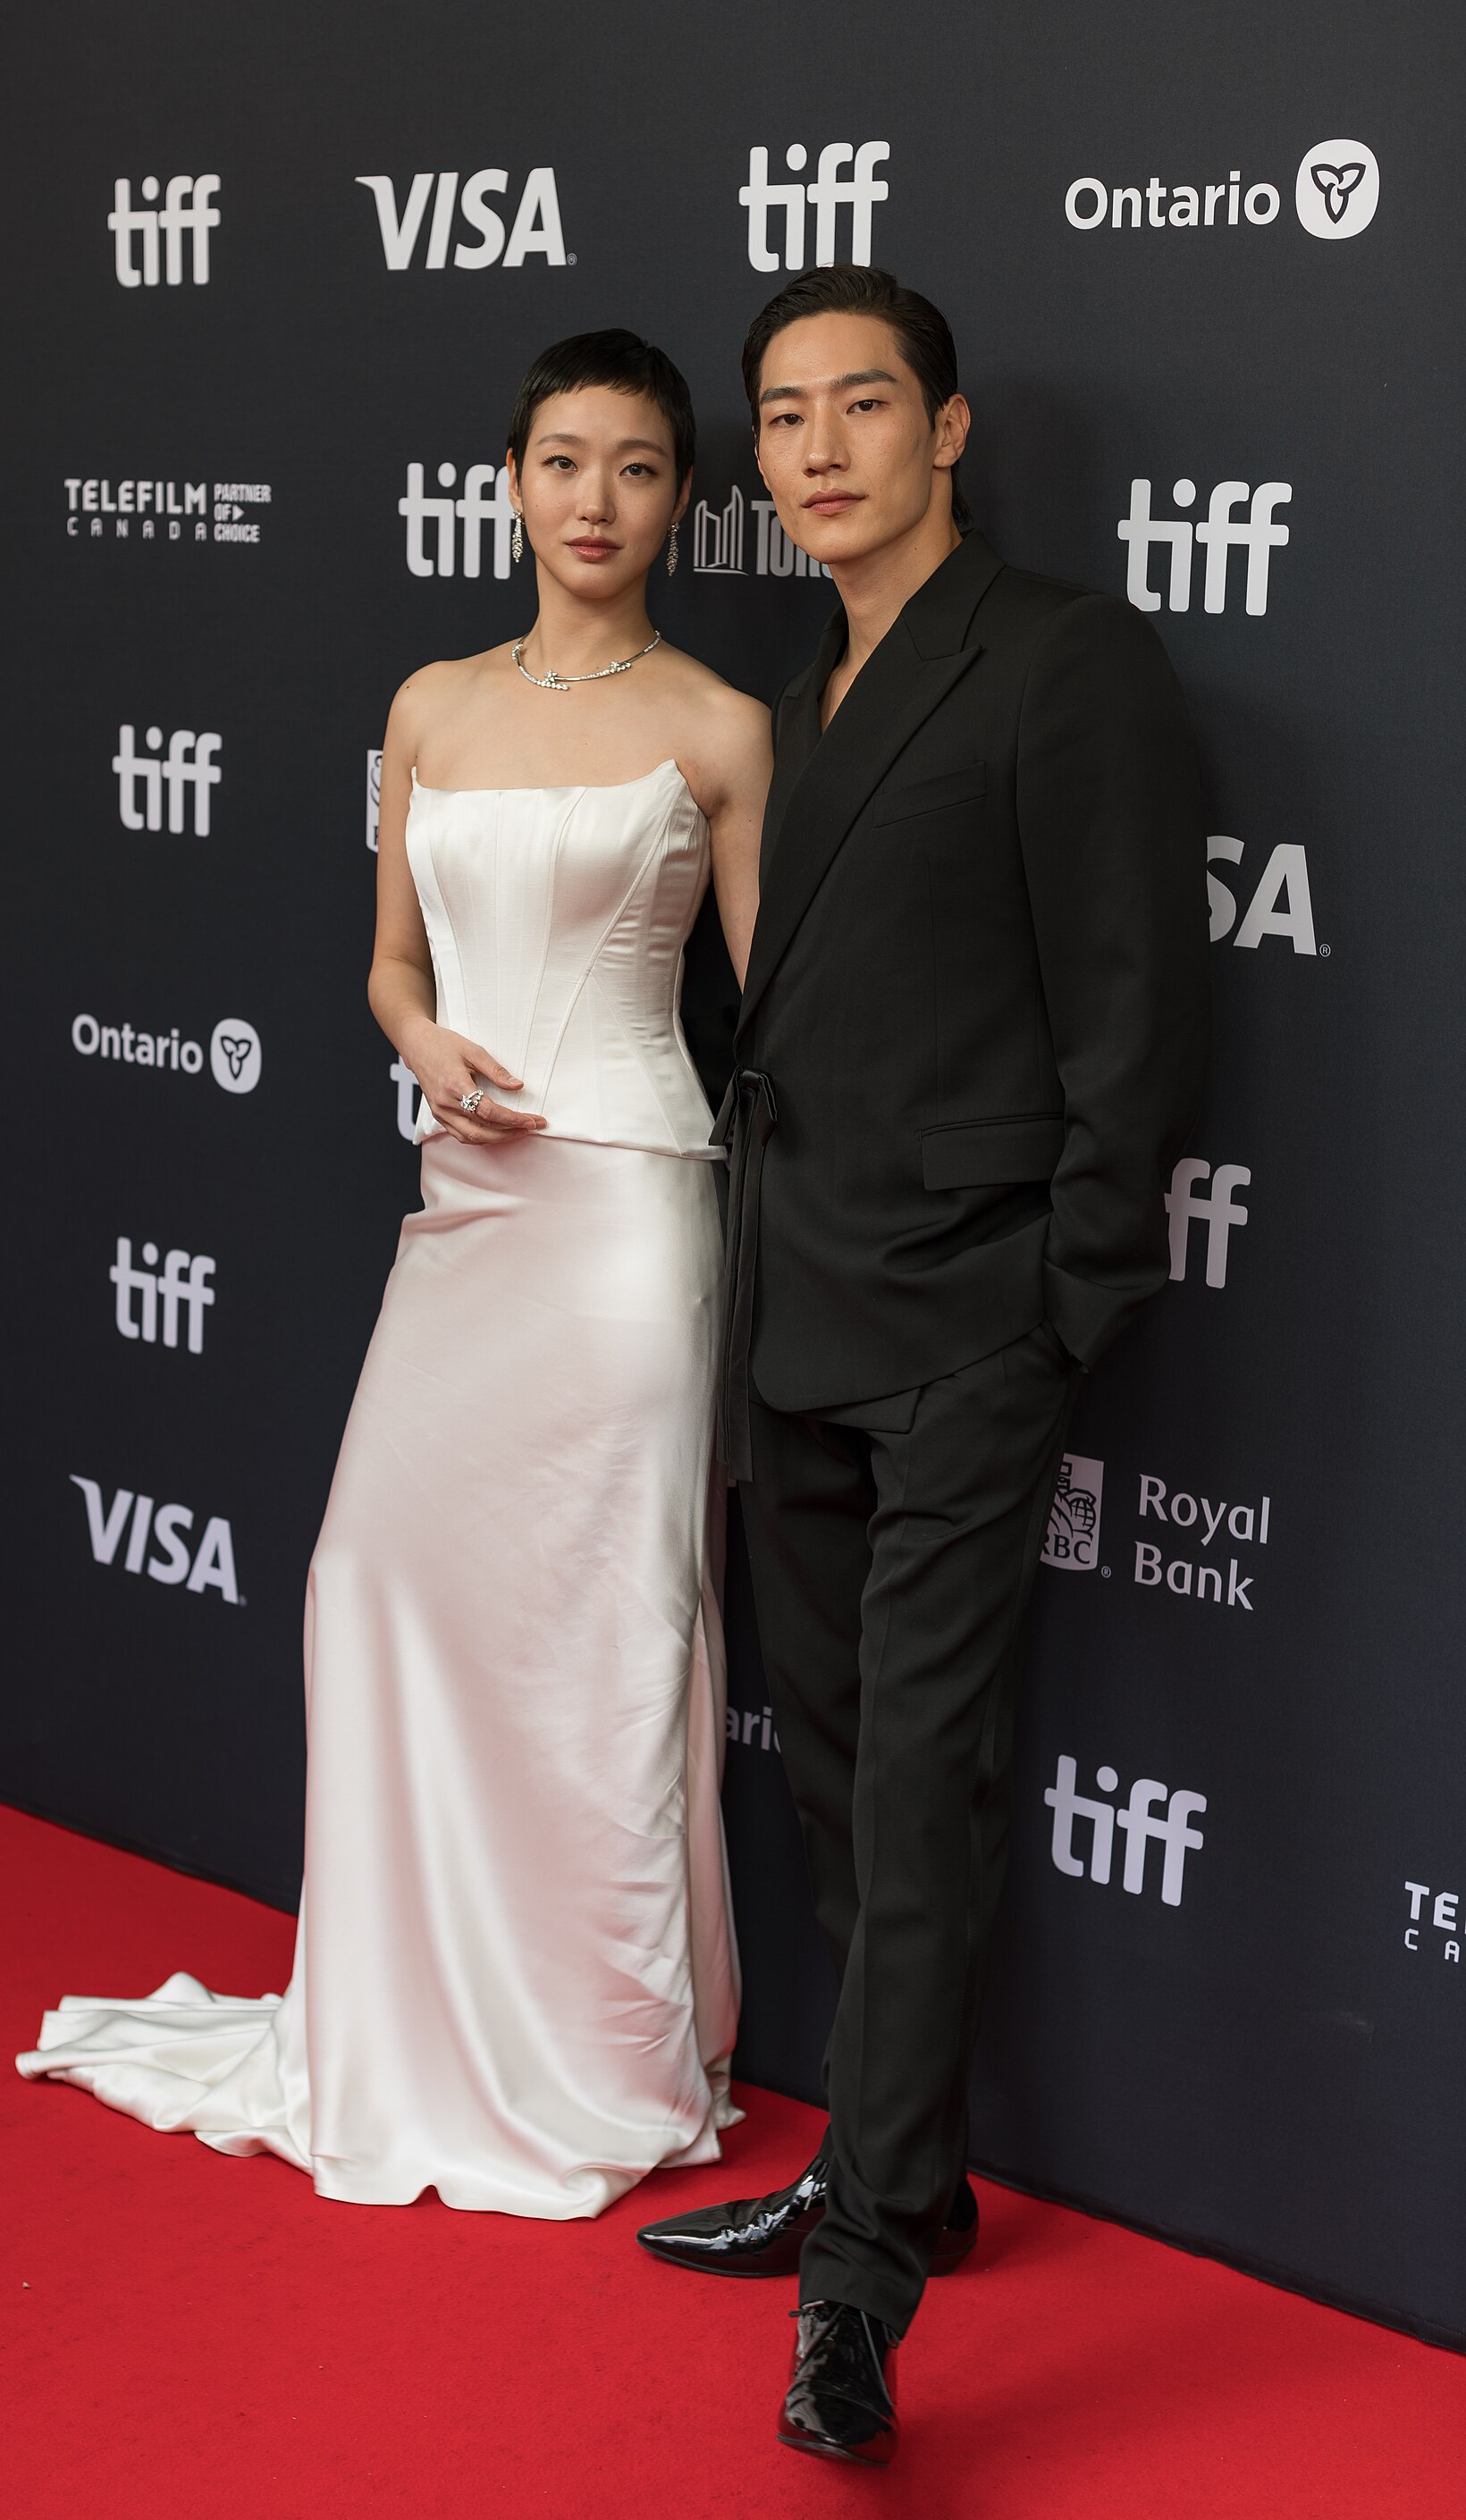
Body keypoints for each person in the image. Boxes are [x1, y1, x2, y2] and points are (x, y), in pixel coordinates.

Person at [19, 330, 772, 2221]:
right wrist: (419, 1044)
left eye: (635, 468)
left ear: (680, 499)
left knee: (610, 1636)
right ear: (508, 480)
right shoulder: (427, 704)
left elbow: (788, 1013)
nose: (593, 500)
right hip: (468, 1202)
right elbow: (388, 965)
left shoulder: (720, 724)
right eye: (561, 460)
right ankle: (410, 2018)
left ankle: (601, 2052)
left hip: (627, 1216)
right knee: (373, 1574)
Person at [637, 265, 1209, 2460]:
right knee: (847, 1791)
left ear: (948, 429)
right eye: (782, 419)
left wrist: (1055, 1306)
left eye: (862, 407)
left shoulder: (1066, 660)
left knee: (924, 1786)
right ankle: (913, 2182)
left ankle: (861, 2282)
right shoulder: (805, 691)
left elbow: (1138, 1027)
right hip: (796, 1319)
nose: (817, 453)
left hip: (969, 1330)